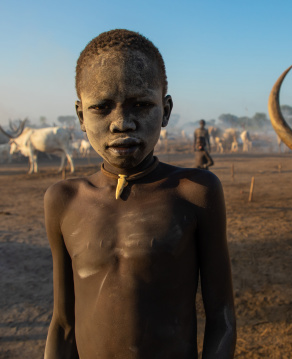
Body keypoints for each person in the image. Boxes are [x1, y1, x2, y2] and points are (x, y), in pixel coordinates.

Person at [44, 29, 236, 359]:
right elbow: (63, 325)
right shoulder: (64, 200)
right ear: (80, 115)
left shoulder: (195, 192)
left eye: (141, 105)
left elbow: (223, 319)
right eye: (102, 107)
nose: (122, 123)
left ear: (166, 110)